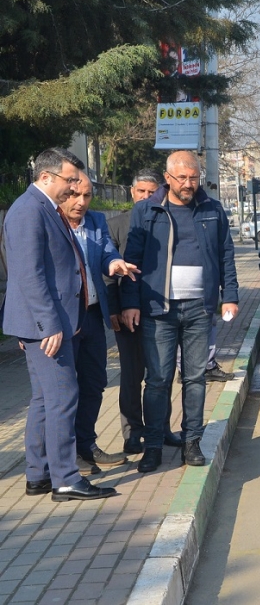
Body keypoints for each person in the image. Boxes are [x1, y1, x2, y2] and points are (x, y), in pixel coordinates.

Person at [1, 147, 130, 501]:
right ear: (47, 177)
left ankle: (38, 474)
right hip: (46, 325)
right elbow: (29, 274)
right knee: (62, 397)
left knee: (45, 399)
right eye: (69, 179)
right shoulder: (29, 210)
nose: (73, 187)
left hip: (52, 321)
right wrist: (48, 324)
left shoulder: (44, 208)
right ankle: (66, 478)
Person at [121, 151, 239, 473]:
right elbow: (132, 260)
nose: (188, 184)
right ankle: (154, 446)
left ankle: (192, 442)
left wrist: (229, 297)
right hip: (158, 310)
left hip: (199, 310)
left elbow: (226, 255)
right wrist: (130, 303)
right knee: (158, 379)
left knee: (195, 378)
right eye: (182, 178)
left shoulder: (212, 210)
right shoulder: (147, 211)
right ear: (167, 177)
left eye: (193, 177)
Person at [106, 168, 183, 454]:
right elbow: (107, 273)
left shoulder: (166, 220)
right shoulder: (115, 225)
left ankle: (160, 429)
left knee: (160, 375)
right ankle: (132, 433)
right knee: (131, 376)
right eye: (142, 192)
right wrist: (115, 310)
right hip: (126, 316)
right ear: (132, 192)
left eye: (152, 193)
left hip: (158, 312)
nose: (147, 197)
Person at [60, 172, 132, 473]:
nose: (81, 202)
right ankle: (66, 454)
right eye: (75, 195)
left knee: (94, 383)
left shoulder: (96, 221)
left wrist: (114, 263)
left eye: (87, 196)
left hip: (92, 314)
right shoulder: (51, 223)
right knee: (63, 391)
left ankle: (87, 445)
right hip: (63, 320)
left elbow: (106, 252)